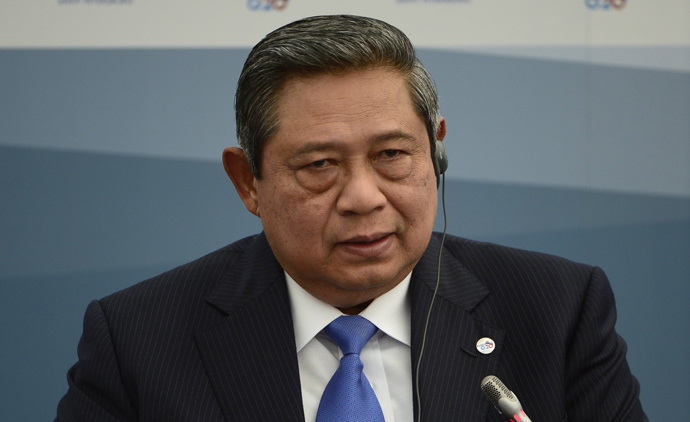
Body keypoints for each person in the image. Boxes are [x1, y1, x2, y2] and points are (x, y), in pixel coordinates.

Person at [56, 15, 647, 422]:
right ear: (248, 181)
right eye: (319, 164)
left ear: (435, 150)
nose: (363, 197)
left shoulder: (556, 309)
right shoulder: (138, 339)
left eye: (392, 155)